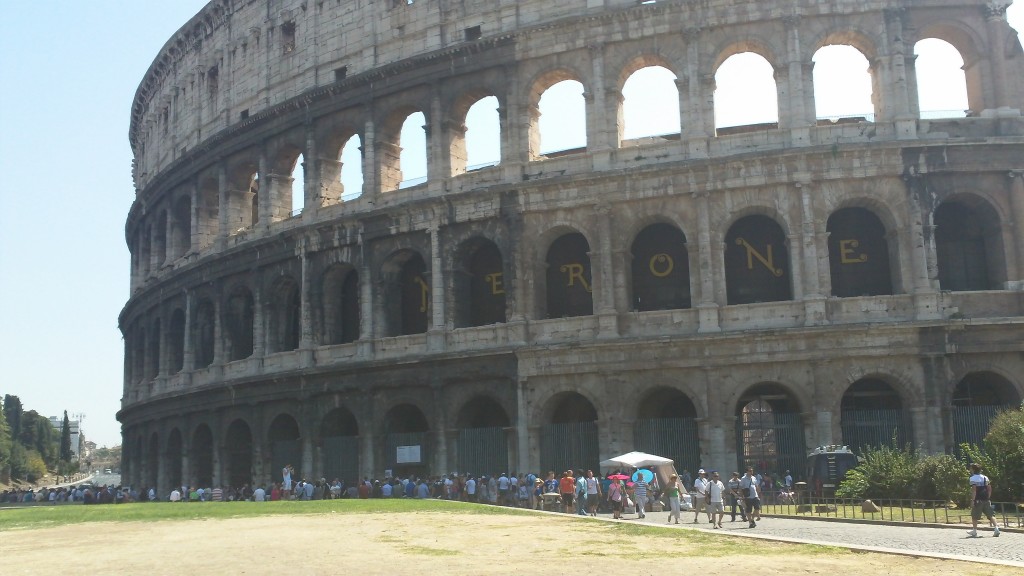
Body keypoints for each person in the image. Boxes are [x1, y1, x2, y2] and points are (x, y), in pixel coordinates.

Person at [967, 463, 1000, 537]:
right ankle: (996, 528)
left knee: (974, 516)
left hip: (978, 499)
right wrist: (988, 497)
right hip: (986, 499)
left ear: (973, 469)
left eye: (971, 468)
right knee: (991, 514)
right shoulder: (985, 477)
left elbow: (974, 490)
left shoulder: (972, 478)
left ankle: (974, 531)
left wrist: (973, 500)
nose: (970, 469)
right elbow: (989, 489)